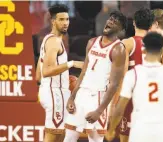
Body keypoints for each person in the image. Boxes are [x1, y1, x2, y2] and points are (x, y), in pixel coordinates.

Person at [64, 11, 127, 142]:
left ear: (120, 29)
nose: (110, 22)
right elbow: (84, 71)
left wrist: (100, 110)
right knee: (69, 137)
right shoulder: (92, 42)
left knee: (95, 139)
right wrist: (72, 97)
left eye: (115, 22)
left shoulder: (118, 49)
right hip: (82, 94)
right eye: (110, 19)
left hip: (98, 97)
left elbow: (114, 84)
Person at [35, 4, 82, 142]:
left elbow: (38, 75)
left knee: (61, 136)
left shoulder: (48, 39)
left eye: (67, 19)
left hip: (53, 91)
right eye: (61, 19)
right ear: (53, 21)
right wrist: (72, 64)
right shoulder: (54, 42)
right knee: (52, 136)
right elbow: (46, 71)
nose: (65, 23)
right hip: (55, 94)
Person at [114, 8, 154, 142]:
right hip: (150, 97)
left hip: (131, 98)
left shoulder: (127, 43)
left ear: (134, 23)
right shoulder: (157, 45)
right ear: (150, 25)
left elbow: (122, 75)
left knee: (125, 138)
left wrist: (116, 102)